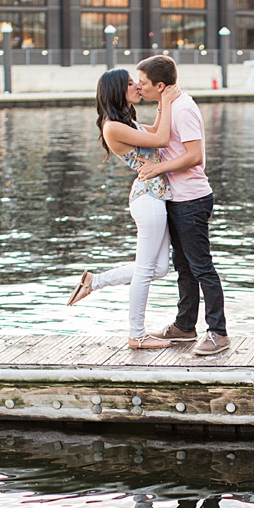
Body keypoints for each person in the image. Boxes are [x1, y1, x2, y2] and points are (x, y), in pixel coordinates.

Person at [66, 68, 180, 350]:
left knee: (159, 268)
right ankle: (137, 335)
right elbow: (162, 139)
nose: (137, 87)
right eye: (130, 83)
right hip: (148, 199)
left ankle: (95, 281)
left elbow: (157, 130)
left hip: (156, 196)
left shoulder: (126, 122)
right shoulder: (112, 127)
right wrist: (166, 101)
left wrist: (161, 103)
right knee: (145, 270)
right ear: (117, 90)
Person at [135, 55, 230, 355]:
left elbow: (194, 155)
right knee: (184, 267)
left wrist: (157, 168)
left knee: (201, 267)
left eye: (143, 83)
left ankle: (218, 333)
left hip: (192, 199)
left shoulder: (184, 108)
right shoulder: (168, 106)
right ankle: (185, 326)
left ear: (160, 86)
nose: (138, 87)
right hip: (176, 199)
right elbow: (159, 136)